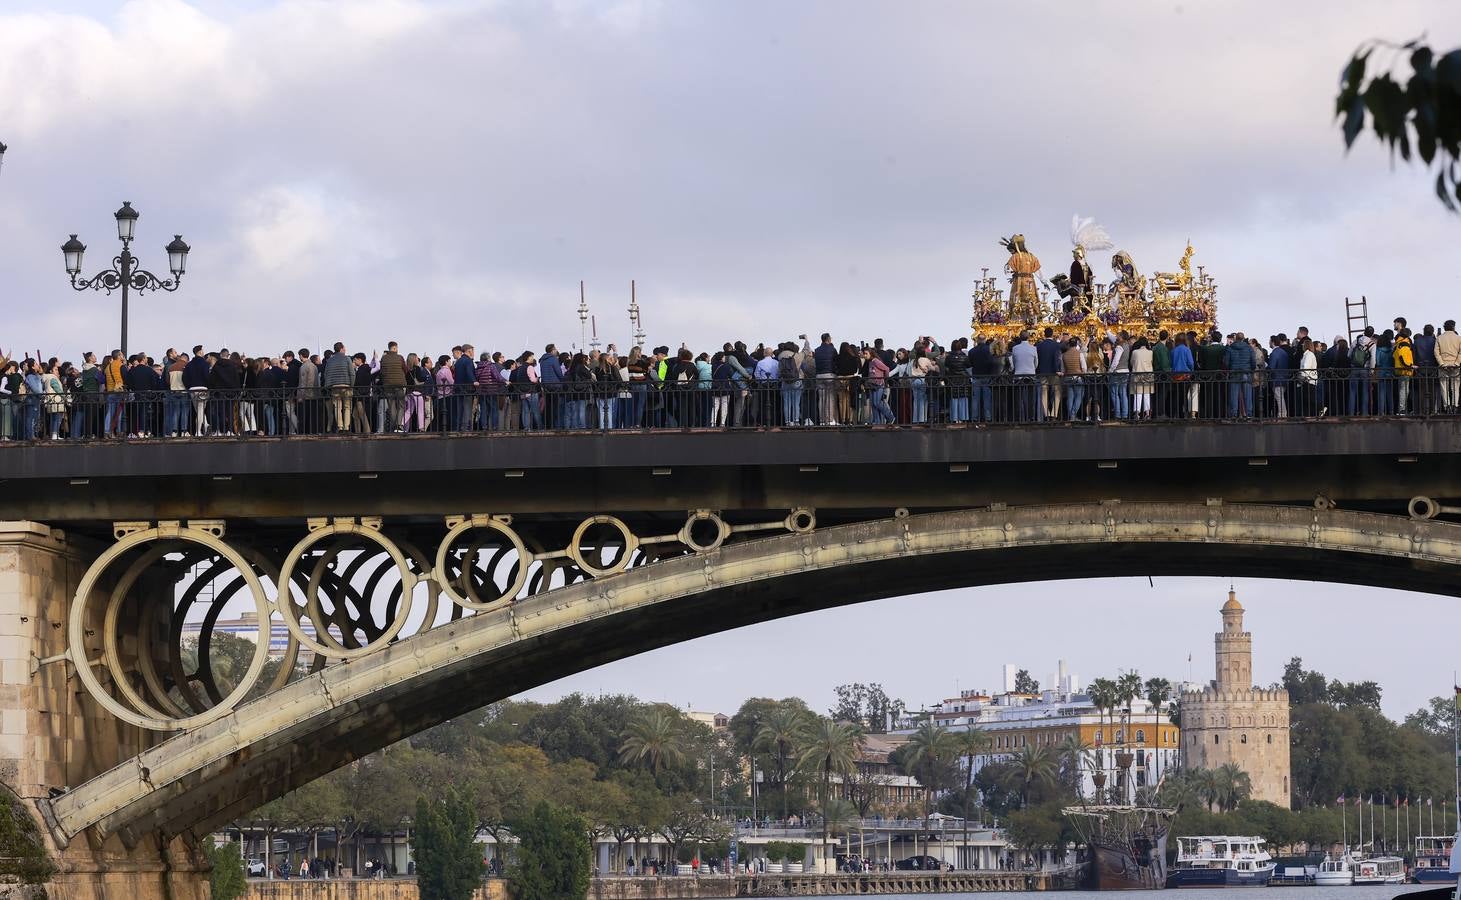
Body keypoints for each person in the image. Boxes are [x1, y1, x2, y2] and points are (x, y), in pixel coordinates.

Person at [1438, 319, 1461, 412]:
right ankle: (1455, 406)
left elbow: (1436, 352)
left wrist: (1442, 363)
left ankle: (1447, 406)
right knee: (1455, 386)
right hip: (1455, 366)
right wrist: (1456, 363)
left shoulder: (1439, 338)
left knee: (1444, 386)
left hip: (1443, 365)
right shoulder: (1458, 338)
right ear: (1453, 327)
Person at [1130, 336, 1155, 419]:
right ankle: (1147, 413)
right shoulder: (1150, 352)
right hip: (1148, 375)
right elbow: (1151, 362)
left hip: (1137, 374)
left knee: (1138, 394)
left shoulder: (1135, 352)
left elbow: (1132, 362)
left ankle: (1137, 413)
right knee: (1147, 394)